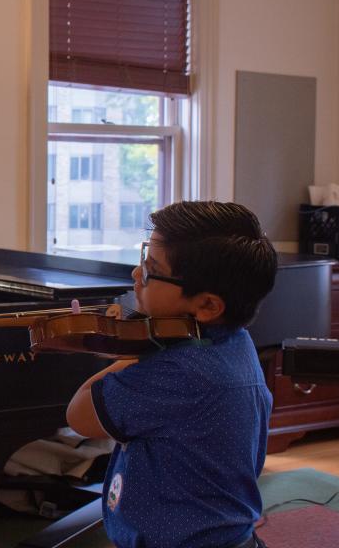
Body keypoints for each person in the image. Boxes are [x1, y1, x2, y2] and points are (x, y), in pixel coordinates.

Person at [65, 201, 278, 548]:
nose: (136, 275)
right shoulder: (233, 342)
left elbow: (80, 415)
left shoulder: (179, 373)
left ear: (208, 305)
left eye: (150, 270)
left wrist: (132, 354)